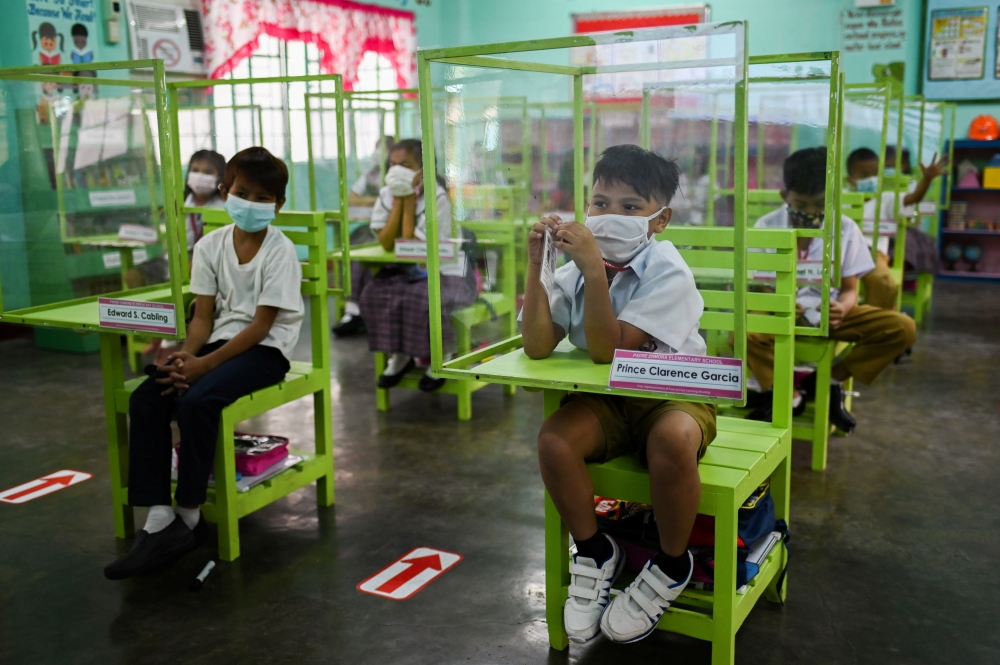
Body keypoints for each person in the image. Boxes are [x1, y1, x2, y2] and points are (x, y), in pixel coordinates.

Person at [520, 144, 714, 644]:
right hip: (608, 400)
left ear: (660, 218)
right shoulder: (578, 266)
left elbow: (610, 353)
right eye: (601, 203)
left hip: (672, 394)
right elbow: (539, 345)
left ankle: (672, 563)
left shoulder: (667, 269)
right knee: (554, 441)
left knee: (672, 440)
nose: (610, 216)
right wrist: (536, 267)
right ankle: (594, 550)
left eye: (631, 207)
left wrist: (590, 271)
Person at [104, 147, 303, 579]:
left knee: (198, 402)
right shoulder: (210, 245)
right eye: (242, 192)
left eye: (262, 197)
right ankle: (158, 518)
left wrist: (203, 366)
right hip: (215, 344)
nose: (250, 203)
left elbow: (259, 326)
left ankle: (190, 516)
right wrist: (183, 357)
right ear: (224, 190)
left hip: (266, 351)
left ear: (279, 204)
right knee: (149, 397)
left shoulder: (280, 250)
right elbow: (203, 318)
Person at [748, 147, 916, 432]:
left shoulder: (845, 228)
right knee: (745, 331)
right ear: (784, 196)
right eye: (801, 203)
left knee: (902, 328)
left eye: (819, 204)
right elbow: (760, 285)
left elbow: (850, 289)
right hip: (779, 311)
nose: (811, 212)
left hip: (828, 312)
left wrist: (843, 307)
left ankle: (830, 381)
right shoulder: (766, 227)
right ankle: (788, 395)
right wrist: (781, 302)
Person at [359, 138, 476, 392]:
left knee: (423, 297)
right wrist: (400, 200)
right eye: (392, 165)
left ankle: (442, 357)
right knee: (374, 292)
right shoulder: (385, 195)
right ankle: (400, 355)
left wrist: (409, 203)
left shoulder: (439, 197)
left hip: (445, 272)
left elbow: (415, 247)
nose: (396, 171)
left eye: (405, 165)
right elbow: (388, 243)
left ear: (423, 171)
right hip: (409, 271)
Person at [141, 150, 227, 362]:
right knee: (141, 277)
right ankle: (158, 333)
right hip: (180, 256)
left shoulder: (223, 207)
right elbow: (176, 238)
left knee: (178, 281)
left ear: (220, 177)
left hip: (208, 258)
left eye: (208, 171)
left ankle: (167, 342)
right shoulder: (181, 202)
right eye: (196, 170)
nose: (200, 175)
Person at [845, 147, 947, 309]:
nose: (871, 178)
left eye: (875, 174)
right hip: (843, 251)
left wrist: (926, 180)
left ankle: (875, 319)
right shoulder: (842, 198)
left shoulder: (886, 199)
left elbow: (913, 198)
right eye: (864, 175)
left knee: (882, 281)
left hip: (873, 253)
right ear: (850, 180)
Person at [335, 136, 395, 336]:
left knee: (364, 254)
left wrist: (370, 201)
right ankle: (353, 309)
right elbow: (352, 198)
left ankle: (358, 310)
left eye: (383, 149)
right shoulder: (371, 174)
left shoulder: (396, 175)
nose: (378, 152)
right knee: (350, 250)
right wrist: (377, 199)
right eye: (377, 148)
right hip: (368, 227)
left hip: (390, 230)